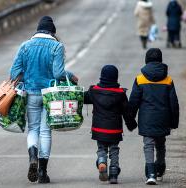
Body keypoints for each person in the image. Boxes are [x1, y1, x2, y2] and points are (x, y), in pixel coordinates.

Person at [10, 16, 78, 184]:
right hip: (51, 95)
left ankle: (32, 157)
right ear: (53, 32)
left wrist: (27, 77)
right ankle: (42, 172)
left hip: (31, 93)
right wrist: (71, 76)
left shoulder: (25, 46)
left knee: (33, 129)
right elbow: (58, 74)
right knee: (46, 131)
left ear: (37, 30)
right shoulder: (57, 46)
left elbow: (14, 73)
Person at [128, 48, 179, 185]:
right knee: (160, 144)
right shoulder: (168, 80)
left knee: (148, 145)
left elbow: (134, 101)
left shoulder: (140, 79)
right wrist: (174, 122)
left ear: (146, 60)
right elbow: (173, 103)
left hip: (147, 118)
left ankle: (150, 173)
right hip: (163, 118)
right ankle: (160, 169)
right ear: (160, 60)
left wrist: (130, 118)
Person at [84, 65, 137, 184]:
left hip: (99, 129)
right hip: (115, 130)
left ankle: (102, 161)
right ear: (116, 78)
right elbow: (127, 113)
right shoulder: (120, 94)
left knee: (101, 148)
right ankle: (113, 174)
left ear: (101, 77)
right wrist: (131, 124)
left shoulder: (94, 91)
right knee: (114, 150)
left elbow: (83, 98)